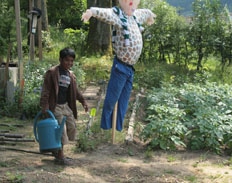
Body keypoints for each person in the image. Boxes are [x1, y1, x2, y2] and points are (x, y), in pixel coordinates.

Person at [81, 0, 156, 132]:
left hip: (131, 68)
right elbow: (104, 13)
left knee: (124, 100)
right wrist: (91, 12)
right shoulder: (118, 15)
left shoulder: (136, 15)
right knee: (111, 99)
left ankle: (118, 128)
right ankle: (106, 127)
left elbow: (146, 13)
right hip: (120, 66)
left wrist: (150, 16)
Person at [40, 47, 88, 165]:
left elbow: (75, 91)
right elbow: (46, 90)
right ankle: (60, 156)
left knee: (72, 126)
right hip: (55, 106)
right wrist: (44, 105)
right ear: (60, 59)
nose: (69, 63)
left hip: (65, 106)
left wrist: (83, 101)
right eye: (67, 60)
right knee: (61, 131)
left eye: (72, 61)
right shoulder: (52, 73)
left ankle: (56, 150)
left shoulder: (70, 75)